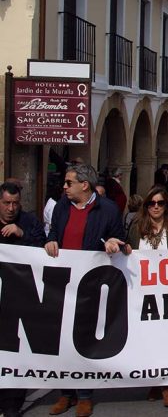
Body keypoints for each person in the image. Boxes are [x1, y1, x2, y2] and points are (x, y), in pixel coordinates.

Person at [45, 164, 127, 417]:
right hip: (61, 282)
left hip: (90, 283)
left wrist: (114, 244)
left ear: (85, 185)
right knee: (60, 339)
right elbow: (53, 233)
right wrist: (49, 241)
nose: (64, 187)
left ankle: (85, 394)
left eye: (69, 183)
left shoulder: (108, 209)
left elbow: (120, 240)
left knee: (83, 338)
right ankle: (65, 393)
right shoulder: (61, 206)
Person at [125, 186, 168, 407]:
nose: (155, 207)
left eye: (160, 203)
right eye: (151, 203)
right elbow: (128, 253)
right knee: (148, 339)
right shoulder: (137, 227)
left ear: (166, 206)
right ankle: (154, 379)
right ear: (146, 206)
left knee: (166, 339)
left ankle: (166, 385)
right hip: (143, 293)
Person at [0, 182, 45, 417]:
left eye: (15, 203)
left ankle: (12, 404)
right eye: (6, 203)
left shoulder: (29, 222)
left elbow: (43, 250)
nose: (11, 208)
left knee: (16, 352)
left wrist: (22, 234)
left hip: (20, 297)